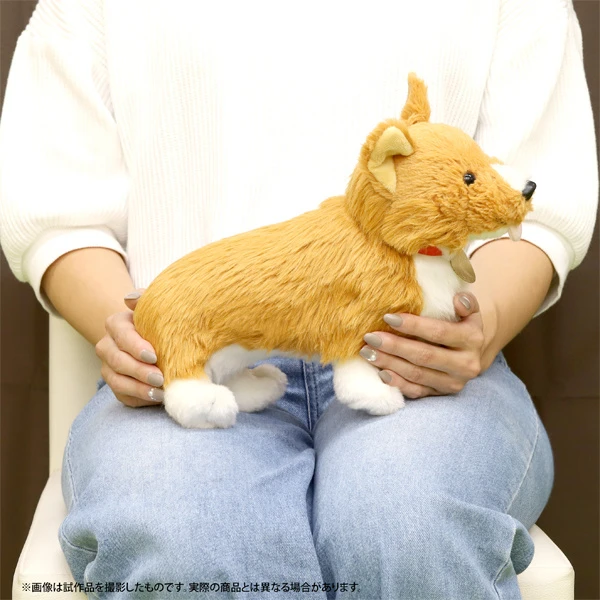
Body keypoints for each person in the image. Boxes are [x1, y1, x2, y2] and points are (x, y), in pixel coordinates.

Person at [0, 0, 597, 598]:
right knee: (186, 537)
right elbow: (59, 208)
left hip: (417, 356)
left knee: (409, 525)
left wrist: (472, 329)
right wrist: (145, 344)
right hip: (198, 358)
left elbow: (542, 201)